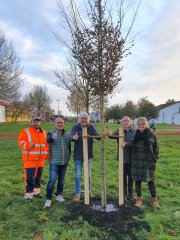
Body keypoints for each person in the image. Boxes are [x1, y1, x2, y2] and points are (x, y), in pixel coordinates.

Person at [122, 117, 160, 208]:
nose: (141, 126)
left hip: (148, 162)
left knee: (151, 181)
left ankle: (154, 200)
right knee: (137, 181)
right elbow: (131, 143)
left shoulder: (152, 135)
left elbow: (156, 147)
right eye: (139, 124)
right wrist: (125, 144)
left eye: (143, 124)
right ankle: (139, 199)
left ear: (146, 125)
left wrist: (155, 158)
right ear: (137, 125)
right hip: (137, 162)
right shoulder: (135, 135)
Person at [70, 111, 102, 202]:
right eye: (82, 118)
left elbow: (97, 137)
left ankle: (89, 191)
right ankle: (78, 193)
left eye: (86, 118)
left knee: (88, 174)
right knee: (78, 175)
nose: (84, 120)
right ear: (79, 119)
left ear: (88, 119)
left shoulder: (91, 127)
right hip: (78, 155)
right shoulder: (75, 127)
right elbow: (71, 136)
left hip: (88, 155)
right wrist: (73, 137)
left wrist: (100, 135)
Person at [18, 116, 48, 203]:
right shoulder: (25, 131)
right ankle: (28, 195)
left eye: (38, 121)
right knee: (29, 178)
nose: (36, 123)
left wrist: (47, 154)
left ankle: (36, 192)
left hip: (40, 160)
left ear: (40, 123)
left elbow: (46, 146)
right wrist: (28, 145)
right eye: (34, 121)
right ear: (31, 122)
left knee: (38, 178)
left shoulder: (44, 133)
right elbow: (20, 142)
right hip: (30, 160)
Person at [44, 117, 71, 208]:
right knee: (52, 180)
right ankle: (48, 198)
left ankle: (58, 195)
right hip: (54, 162)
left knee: (61, 180)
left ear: (64, 124)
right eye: (58, 122)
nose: (60, 124)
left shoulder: (66, 134)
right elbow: (48, 140)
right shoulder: (50, 133)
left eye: (61, 122)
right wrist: (52, 137)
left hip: (64, 162)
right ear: (55, 124)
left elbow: (69, 148)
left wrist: (68, 159)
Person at [109, 116, 136, 201]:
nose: (126, 122)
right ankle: (123, 194)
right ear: (121, 122)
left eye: (127, 121)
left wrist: (127, 143)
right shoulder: (119, 131)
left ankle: (131, 194)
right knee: (123, 177)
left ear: (130, 122)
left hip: (132, 158)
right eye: (124, 121)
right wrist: (110, 134)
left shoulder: (134, 132)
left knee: (131, 177)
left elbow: (136, 142)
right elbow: (112, 136)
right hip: (122, 158)